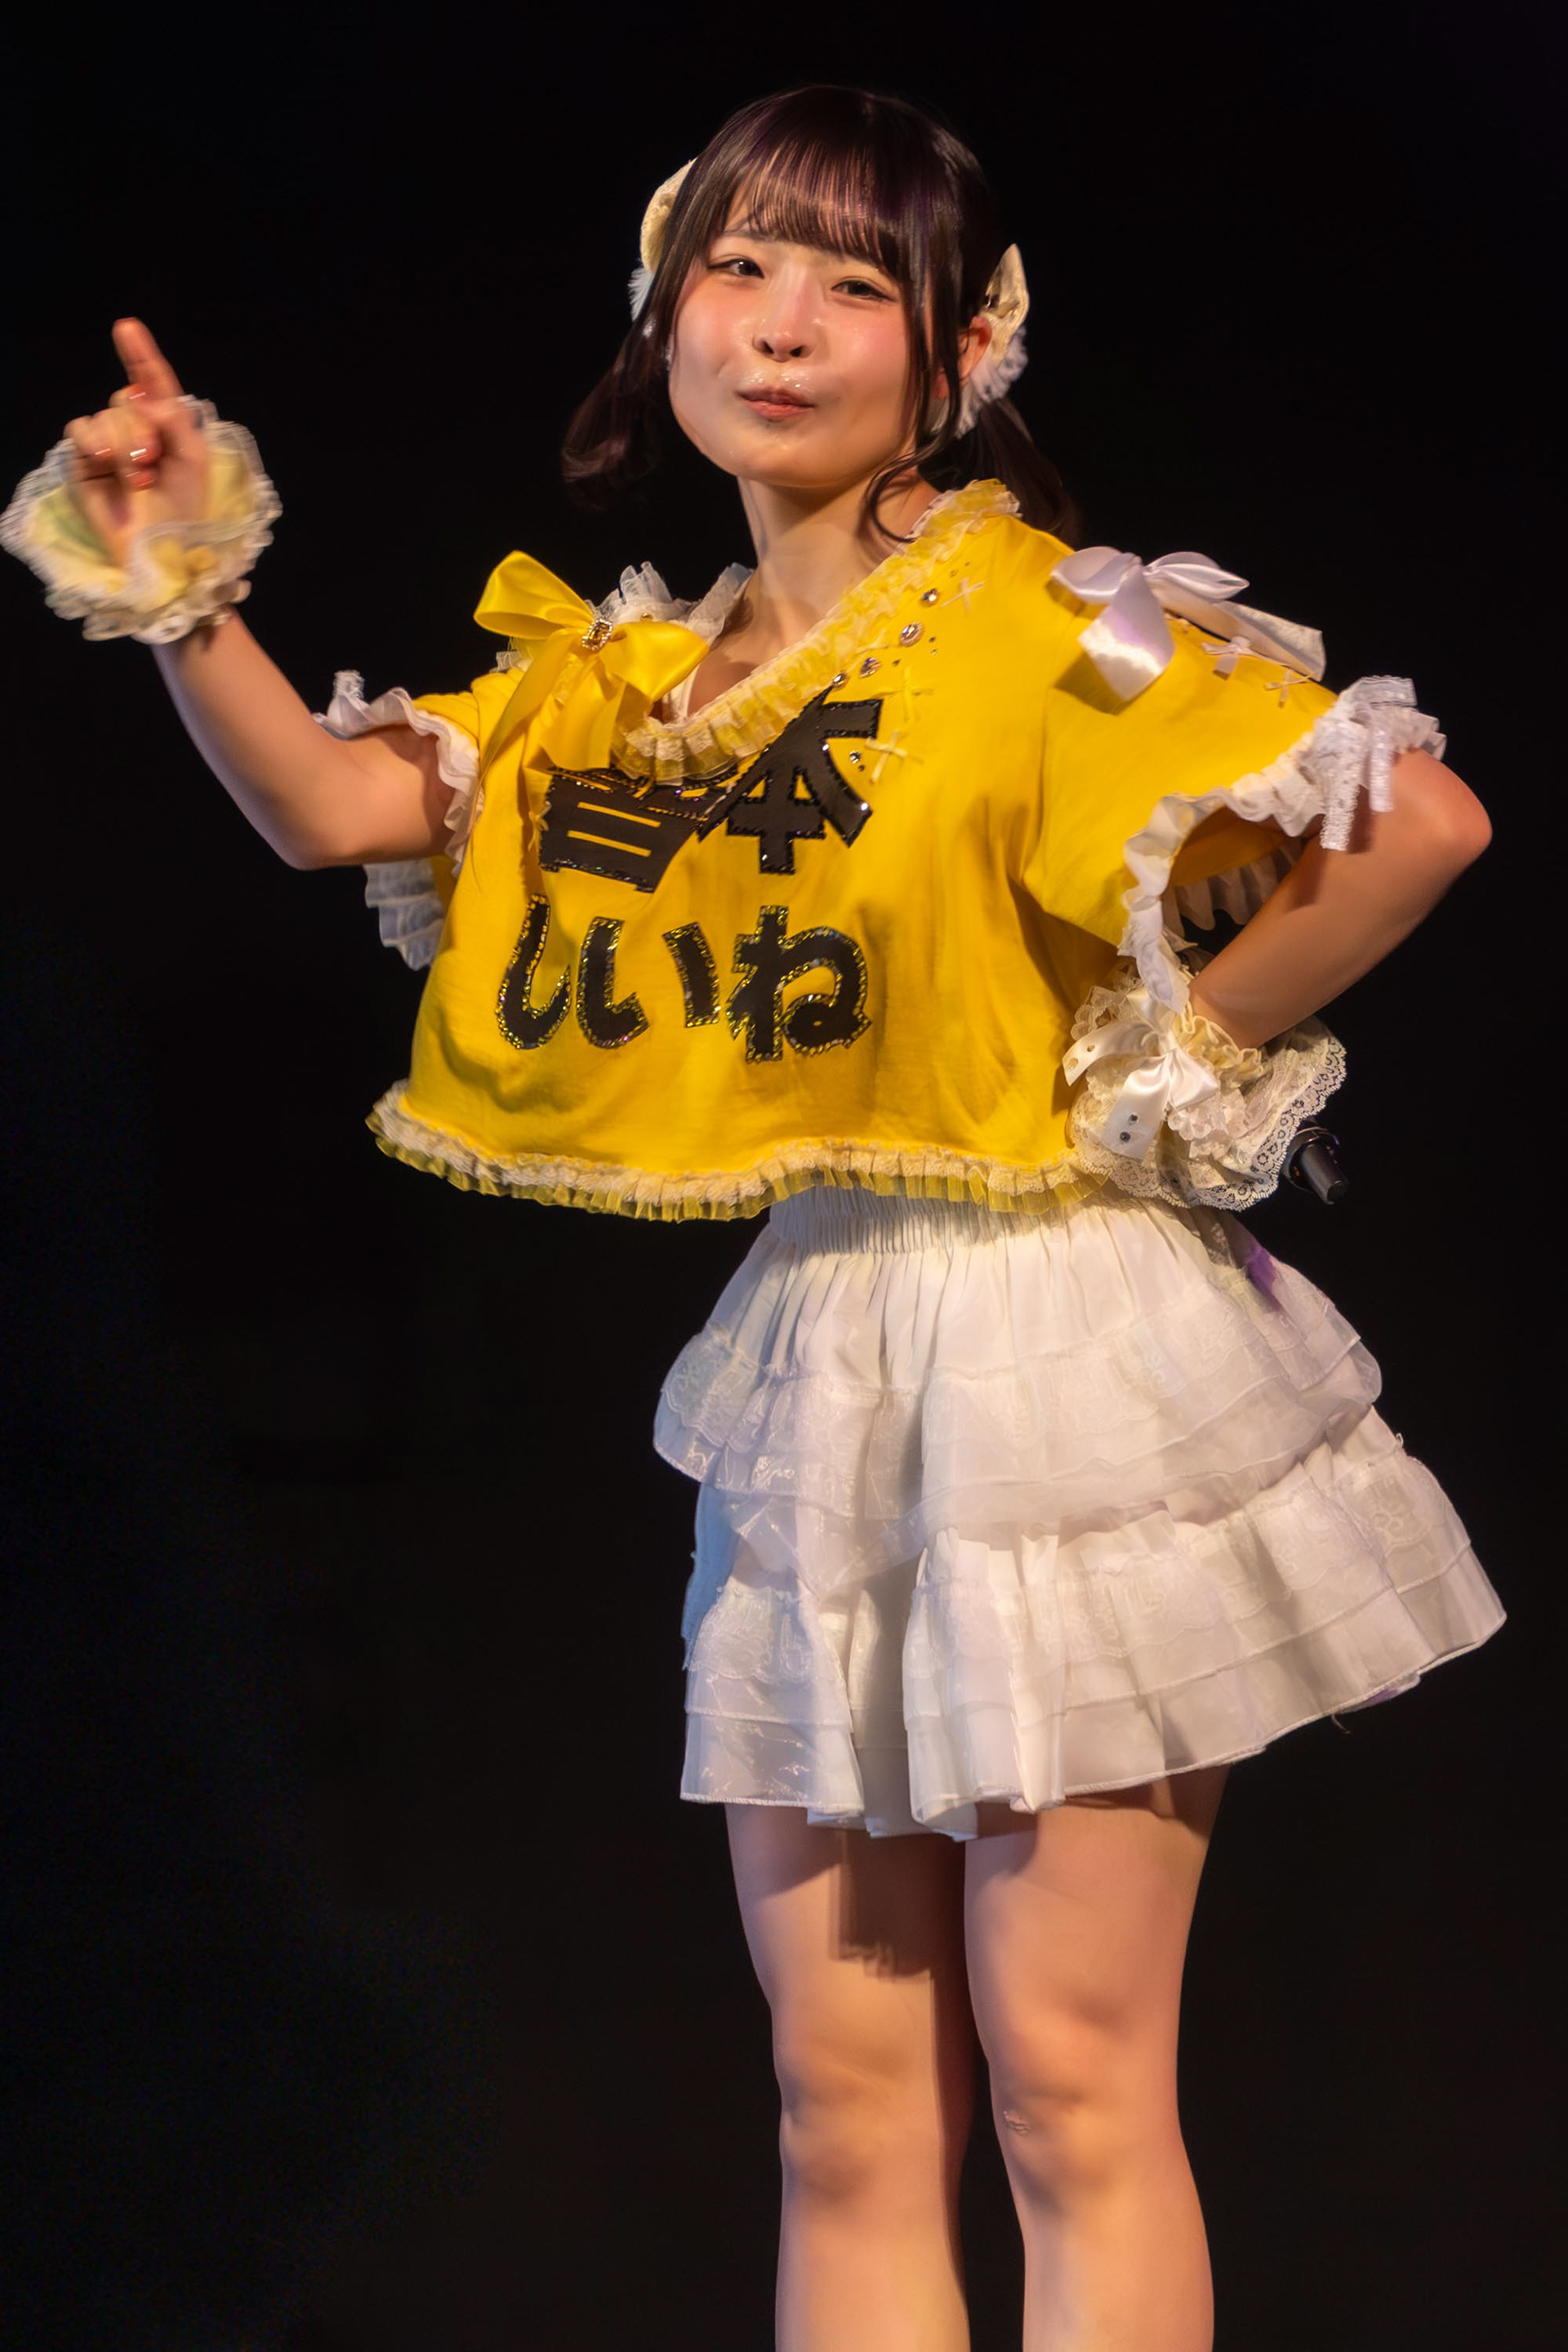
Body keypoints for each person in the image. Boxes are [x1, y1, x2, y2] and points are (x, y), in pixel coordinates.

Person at [4, 79, 1507, 2352]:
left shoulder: (1046, 628)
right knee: (840, 2103)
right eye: (737, 264)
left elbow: (1421, 821)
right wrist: (179, 589)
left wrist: (1175, 1061)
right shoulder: (632, 687)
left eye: (853, 283)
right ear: (663, 308)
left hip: (1058, 1344)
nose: (782, 324)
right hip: (830, 1349)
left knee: (1070, 2081)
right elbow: (327, 811)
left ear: (962, 350)